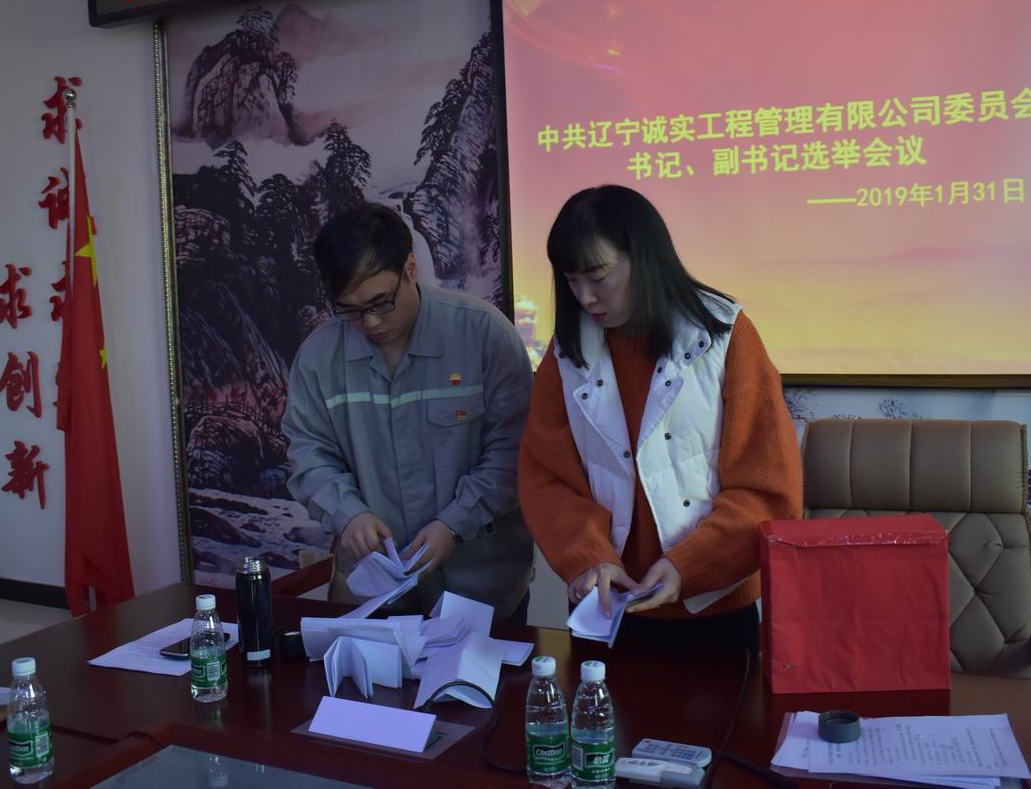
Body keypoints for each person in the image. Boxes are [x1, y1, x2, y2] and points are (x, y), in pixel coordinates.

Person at [518, 185, 803, 648]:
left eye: (598, 276)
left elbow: (768, 488)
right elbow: (546, 478)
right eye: (571, 281)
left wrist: (690, 564)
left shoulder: (723, 336)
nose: (585, 297)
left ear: (644, 258)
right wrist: (588, 555)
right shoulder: (566, 354)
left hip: (713, 609)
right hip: (605, 606)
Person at [284, 203, 535, 622]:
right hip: (373, 594)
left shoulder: (483, 334)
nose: (370, 322)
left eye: (381, 302)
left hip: (481, 590)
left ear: (411, 269)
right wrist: (350, 515)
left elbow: (514, 453)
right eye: (350, 309)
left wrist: (454, 524)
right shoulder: (318, 358)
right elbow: (309, 454)